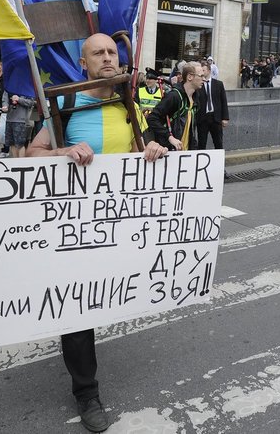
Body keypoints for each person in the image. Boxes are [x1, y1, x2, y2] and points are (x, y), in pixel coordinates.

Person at [26, 33, 167, 433]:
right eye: (98, 53)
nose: (107, 58)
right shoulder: (67, 103)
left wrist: (155, 151)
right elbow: (30, 154)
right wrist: (62, 152)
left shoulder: (130, 103)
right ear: (83, 63)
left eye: (112, 51)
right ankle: (86, 392)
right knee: (78, 310)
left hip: (120, 227)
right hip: (75, 229)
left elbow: (145, 150)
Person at [147, 61, 203, 151]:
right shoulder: (174, 96)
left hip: (185, 152)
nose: (204, 79)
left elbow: (191, 128)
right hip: (169, 151)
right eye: (201, 76)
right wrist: (170, 138)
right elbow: (152, 118)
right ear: (189, 77)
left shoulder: (196, 97)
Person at [195, 60, 229, 150]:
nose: (202, 73)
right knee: (201, 143)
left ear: (209, 71)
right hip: (202, 118)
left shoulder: (218, 84)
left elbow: (223, 101)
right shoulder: (198, 85)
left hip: (215, 118)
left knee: (218, 142)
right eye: (201, 71)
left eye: (204, 70)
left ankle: (218, 162)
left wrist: (225, 118)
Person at [1, 90, 35, 158]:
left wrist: (19, 99)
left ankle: (21, 163)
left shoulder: (25, 88)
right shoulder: (8, 87)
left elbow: (31, 103)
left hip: (21, 120)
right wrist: (5, 106)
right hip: (9, 119)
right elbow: (4, 100)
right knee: (11, 143)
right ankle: (15, 161)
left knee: (20, 144)